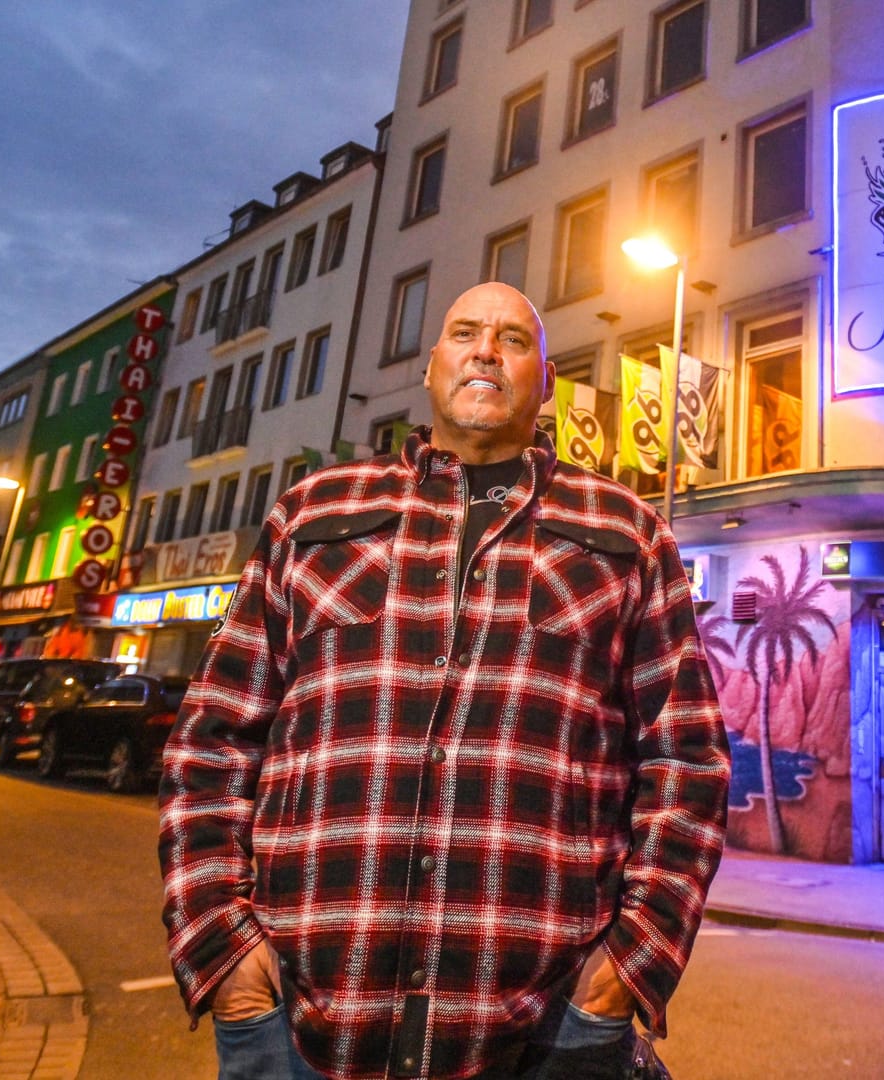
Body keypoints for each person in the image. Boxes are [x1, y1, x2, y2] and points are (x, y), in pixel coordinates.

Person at [158, 282, 732, 1080]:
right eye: (465, 332)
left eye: (512, 338)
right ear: (432, 368)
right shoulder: (312, 515)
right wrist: (221, 953)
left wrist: (628, 970)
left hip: (548, 1036)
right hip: (295, 1026)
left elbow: (688, 762)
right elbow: (211, 742)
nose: (486, 349)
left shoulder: (626, 533)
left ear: (548, 382)